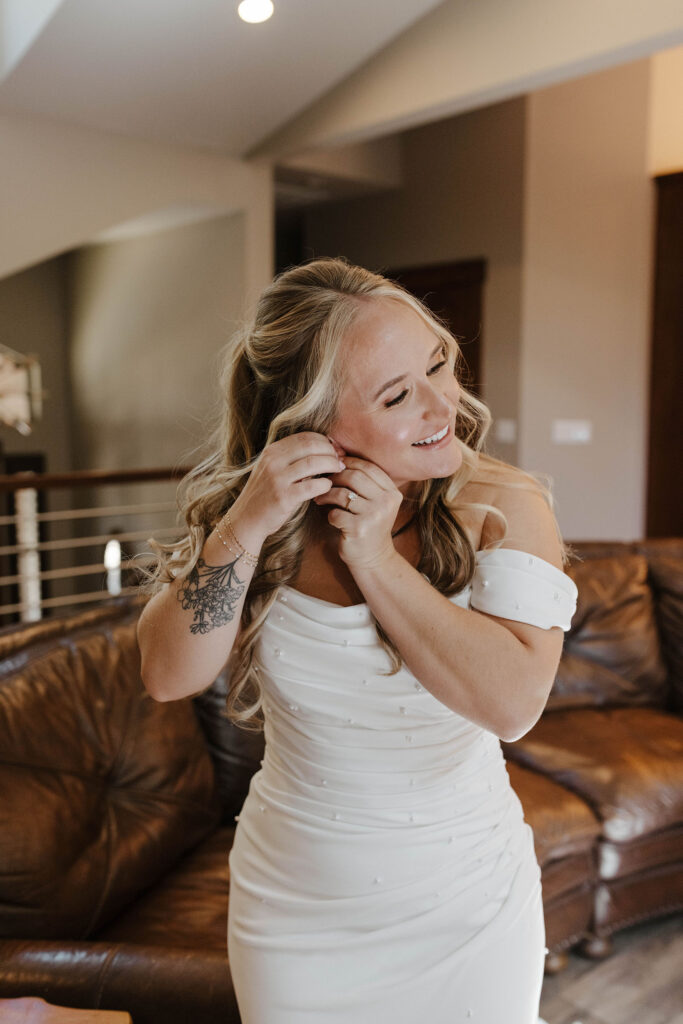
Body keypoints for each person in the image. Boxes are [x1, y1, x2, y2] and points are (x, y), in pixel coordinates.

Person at [136, 256, 578, 1024]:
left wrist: (373, 557)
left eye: (437, 364)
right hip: (296, 911)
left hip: (466, 905)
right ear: (311, 427)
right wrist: (243, 523)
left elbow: (511, 705)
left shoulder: (503, 506)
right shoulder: (258, 526)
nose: (444, 405)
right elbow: (167, 675)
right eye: (397, 395)